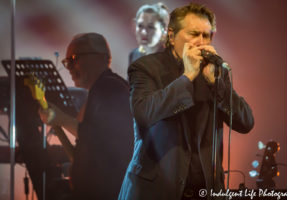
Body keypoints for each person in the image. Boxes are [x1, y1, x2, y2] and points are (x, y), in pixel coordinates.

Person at [119, 3, 254, 200]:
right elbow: (143, 113)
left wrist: (217, 85)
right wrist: (188, 76)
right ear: (171, 36)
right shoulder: (145, 67)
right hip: (155, 190)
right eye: (193, 34)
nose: (201, 42)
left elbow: (246, 122)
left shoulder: (215, 72)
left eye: (206, 35)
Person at [39, 33, 133, 200]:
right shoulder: (99, 90)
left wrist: (62, 119)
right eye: (67, 62)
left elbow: (101, 137)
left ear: (101, 57)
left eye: (74, 58)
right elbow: (92, 144)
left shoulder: (111, 88)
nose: (69, 67)